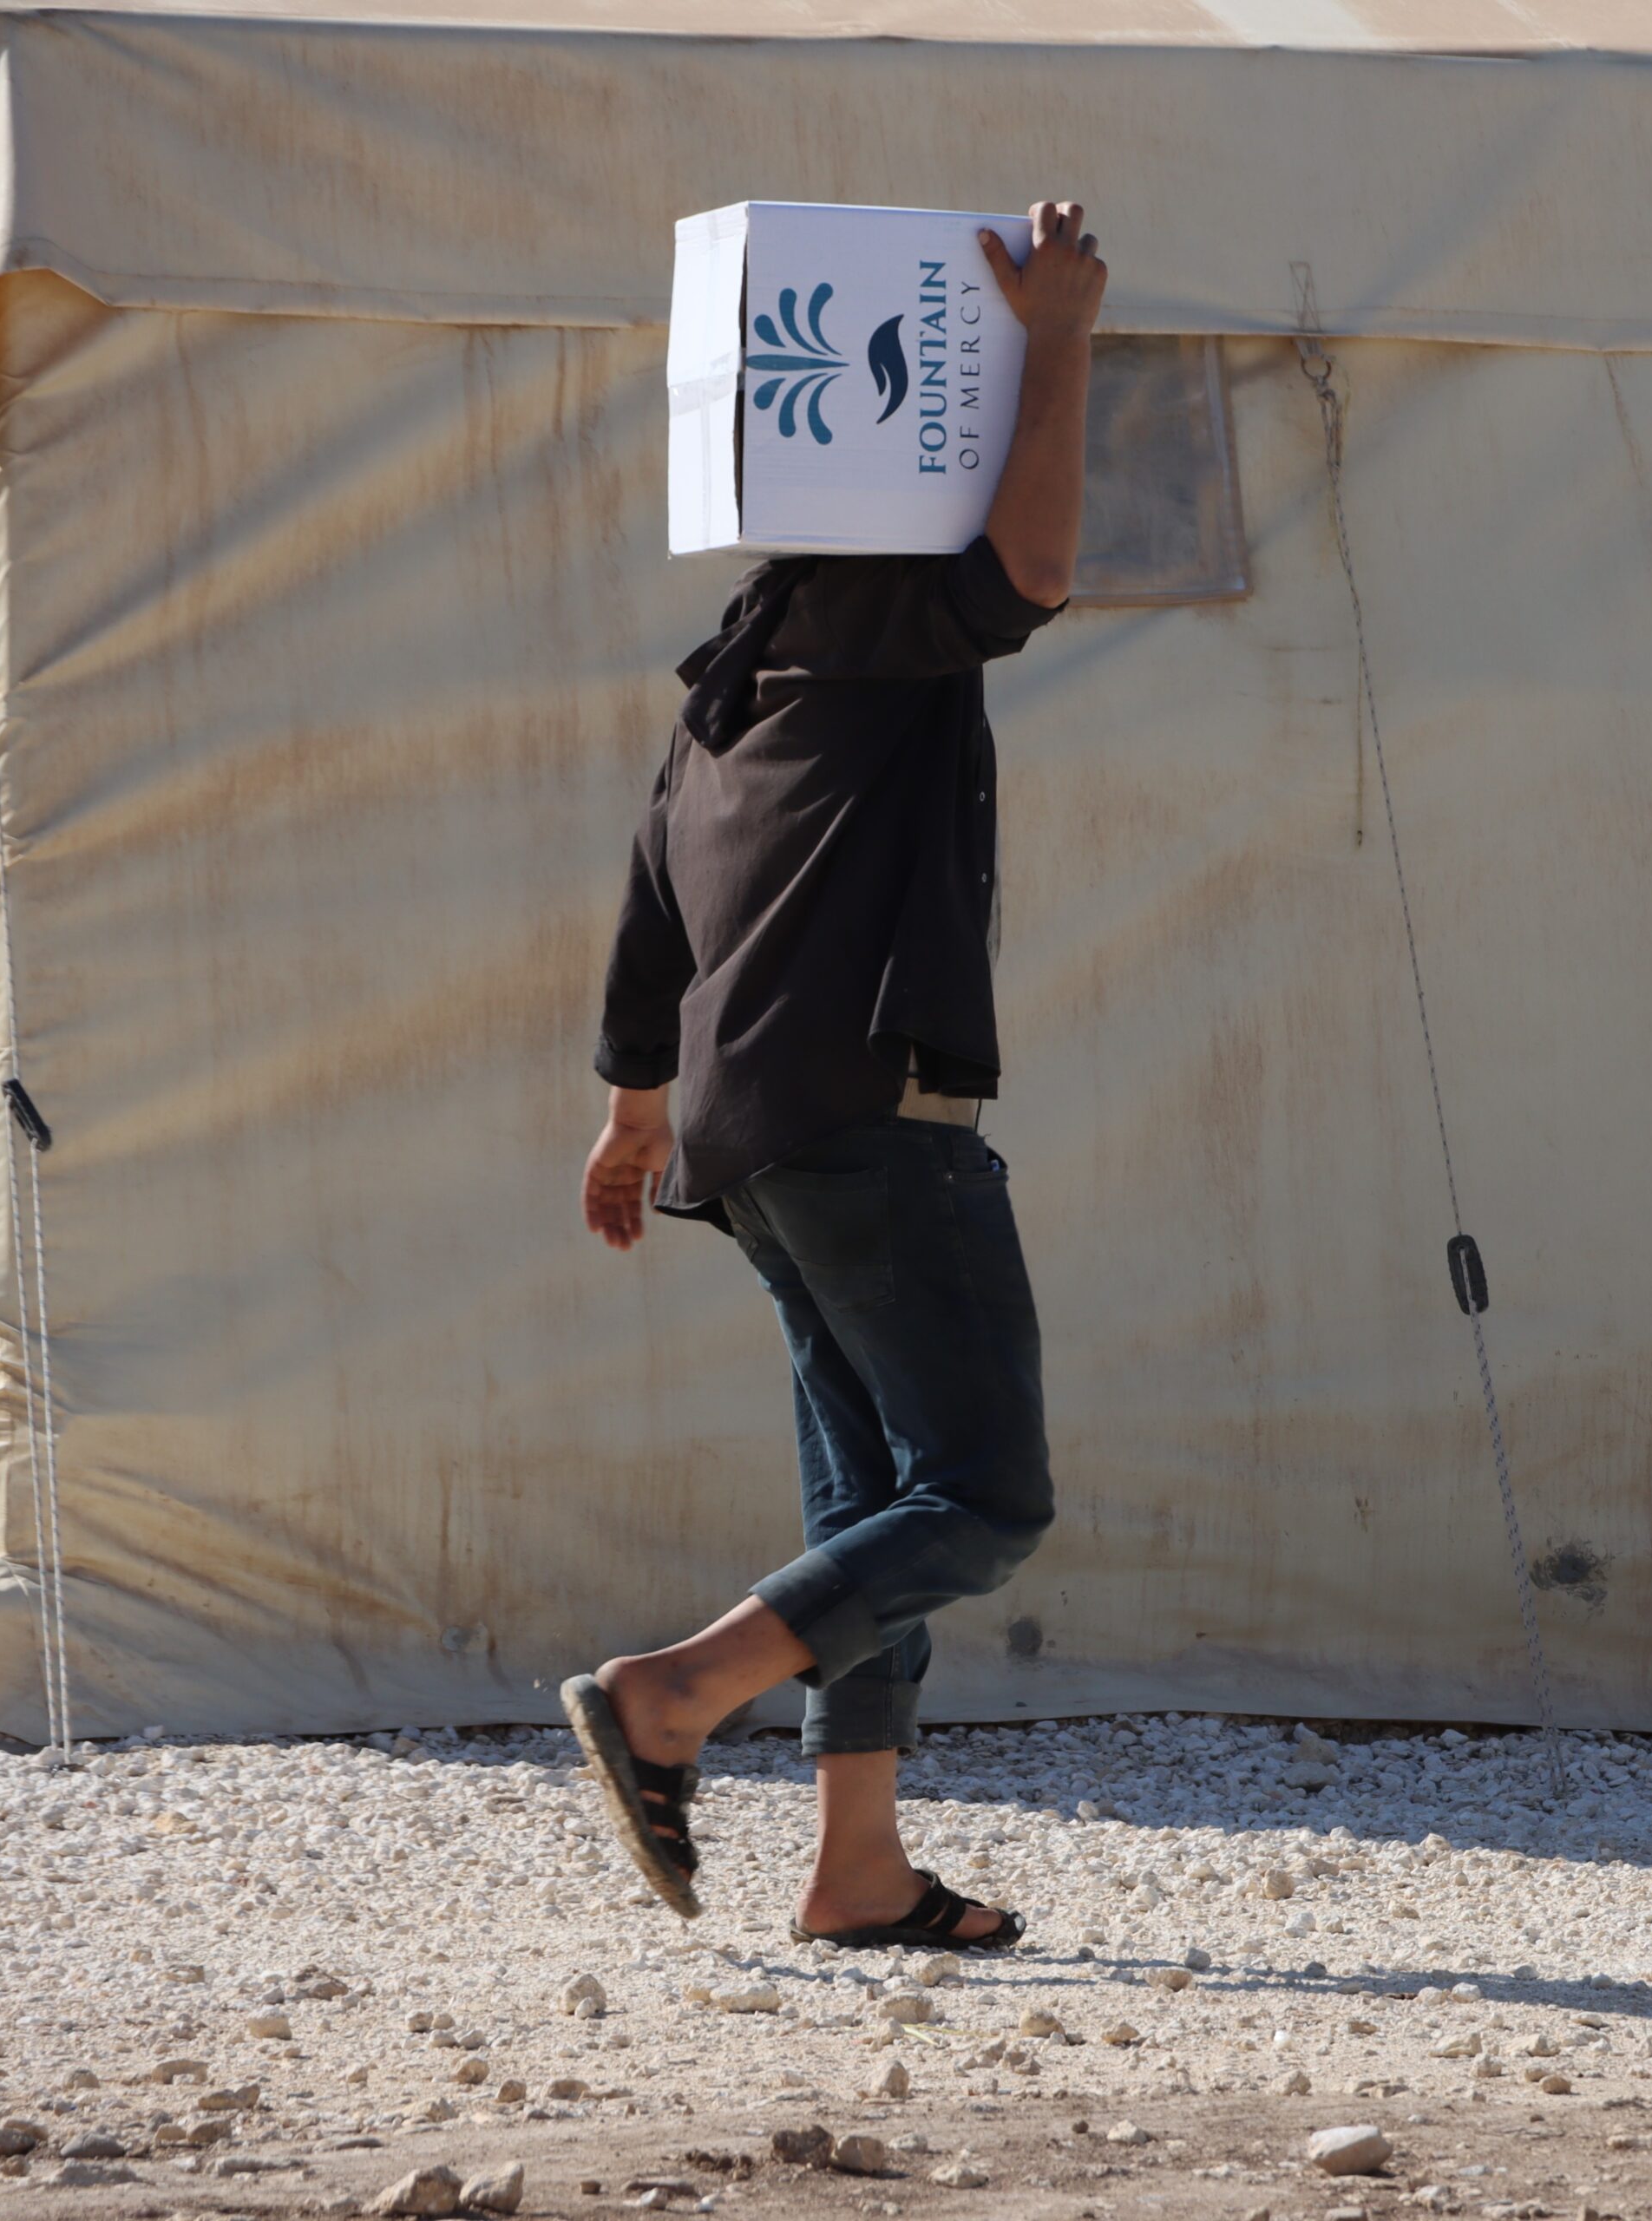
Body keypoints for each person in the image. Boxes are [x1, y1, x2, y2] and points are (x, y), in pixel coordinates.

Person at [564, 201, 1106, 1950]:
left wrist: (633, 1116)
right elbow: (1027, 572)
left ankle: (857, 1868)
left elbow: (649, 915)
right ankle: (669, 1693)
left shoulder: (739, 657)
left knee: (872, 1502)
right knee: (981, 1496)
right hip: (865, 1117)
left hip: (750, 1131)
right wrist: (1055, 337)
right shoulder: (874, 608)